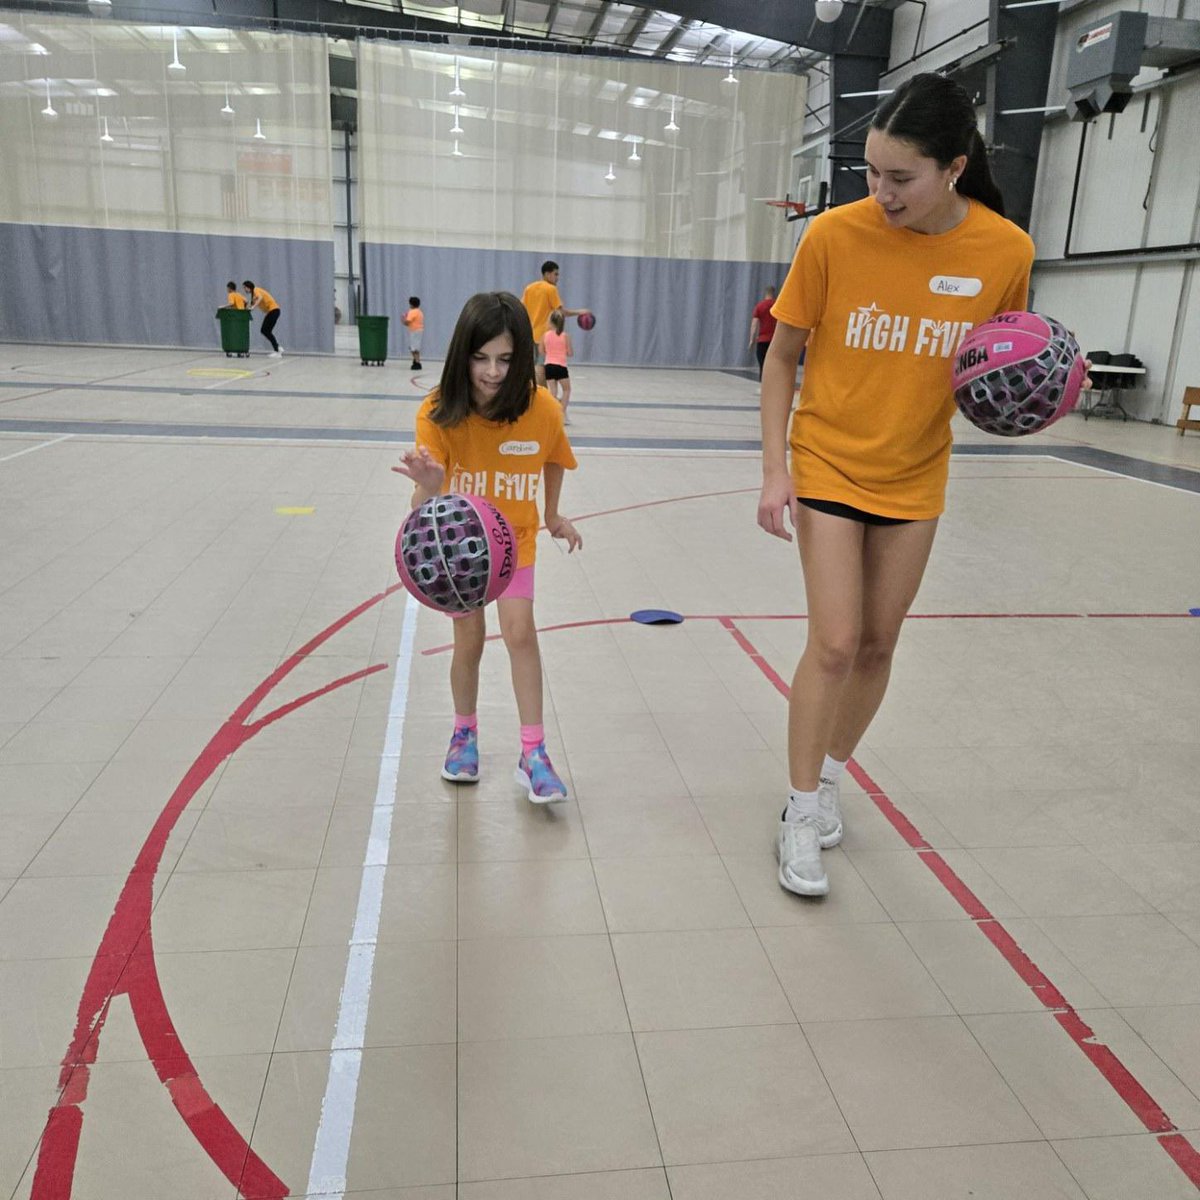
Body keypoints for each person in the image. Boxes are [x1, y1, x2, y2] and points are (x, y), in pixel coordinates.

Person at [757, 73, 1037, 897]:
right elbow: (781, 359)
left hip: (917, 472)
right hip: (832, 458)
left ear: (955, 167)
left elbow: (1002, 362)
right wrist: (777, 471)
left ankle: (834, 775)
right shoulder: (834, 237)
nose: (880, 192)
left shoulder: (1005, 251)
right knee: (837, 641)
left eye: (900, 178)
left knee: (880, 643)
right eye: (871, 173)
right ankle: (799, 810)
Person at [392, 291, 582, 803]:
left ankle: (533, 752)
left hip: (513, 540)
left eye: (505, 358)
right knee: (469, 641)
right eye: (481, 358)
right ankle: (464, 734)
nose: (494, 372)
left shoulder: (541, 409)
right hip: (463, 551)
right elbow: (419, 507)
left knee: (521, 634)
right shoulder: (437, 412)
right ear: (462, 353)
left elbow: (555, 459)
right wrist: (430, 484)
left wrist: (552, 515)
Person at [521, 260, 590, 386]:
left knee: (532, 366)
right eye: (556, 274)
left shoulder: (529, 288)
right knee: (541, 367)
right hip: (543, 335)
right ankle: (541, 395)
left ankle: (537, 394)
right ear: (547, 274)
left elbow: (521, 308)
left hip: (529, 334)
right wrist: (579, 312)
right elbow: (561, 312)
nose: (558, 278)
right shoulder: (550, 289)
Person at [541, 308, 573, 423]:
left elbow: (541, 351)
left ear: (550, 322)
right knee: (566, 390)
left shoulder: (545, 335)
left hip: (549, 366)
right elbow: (570, 353)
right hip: (561, 366)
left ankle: (551, 414)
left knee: (552, 392)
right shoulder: (565, 336)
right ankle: (562, 413)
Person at [243, 280, 282, 357]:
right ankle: (277, 348)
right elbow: (251, 305)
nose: (244, 290)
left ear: (249, 287)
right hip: (272, 312)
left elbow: (260, 298)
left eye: (244, 287)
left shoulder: (256, 290)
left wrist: (253, 307)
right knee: (265, 331)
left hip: (274, 310)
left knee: (265, 330)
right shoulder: (253, 295)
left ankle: (277, 350)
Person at [748, 285, 777, 380]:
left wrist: (752, 339)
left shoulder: (760, 306)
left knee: (762, 362)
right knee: (774, 363)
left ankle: (763, 382)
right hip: (775, 340)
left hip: (763, 339)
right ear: (773, 293)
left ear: (765, 293)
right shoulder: (777, 305)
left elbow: (754, 324)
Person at [404, 296, 424, 370]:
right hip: (419, 330)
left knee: (413, 348)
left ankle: (417, 362)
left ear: (411, 304)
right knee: (416, 348)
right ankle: (416, 361)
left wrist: (403, 319)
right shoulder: (419, 312)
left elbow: (407, 322)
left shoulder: (412, 312)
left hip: (414, 331)